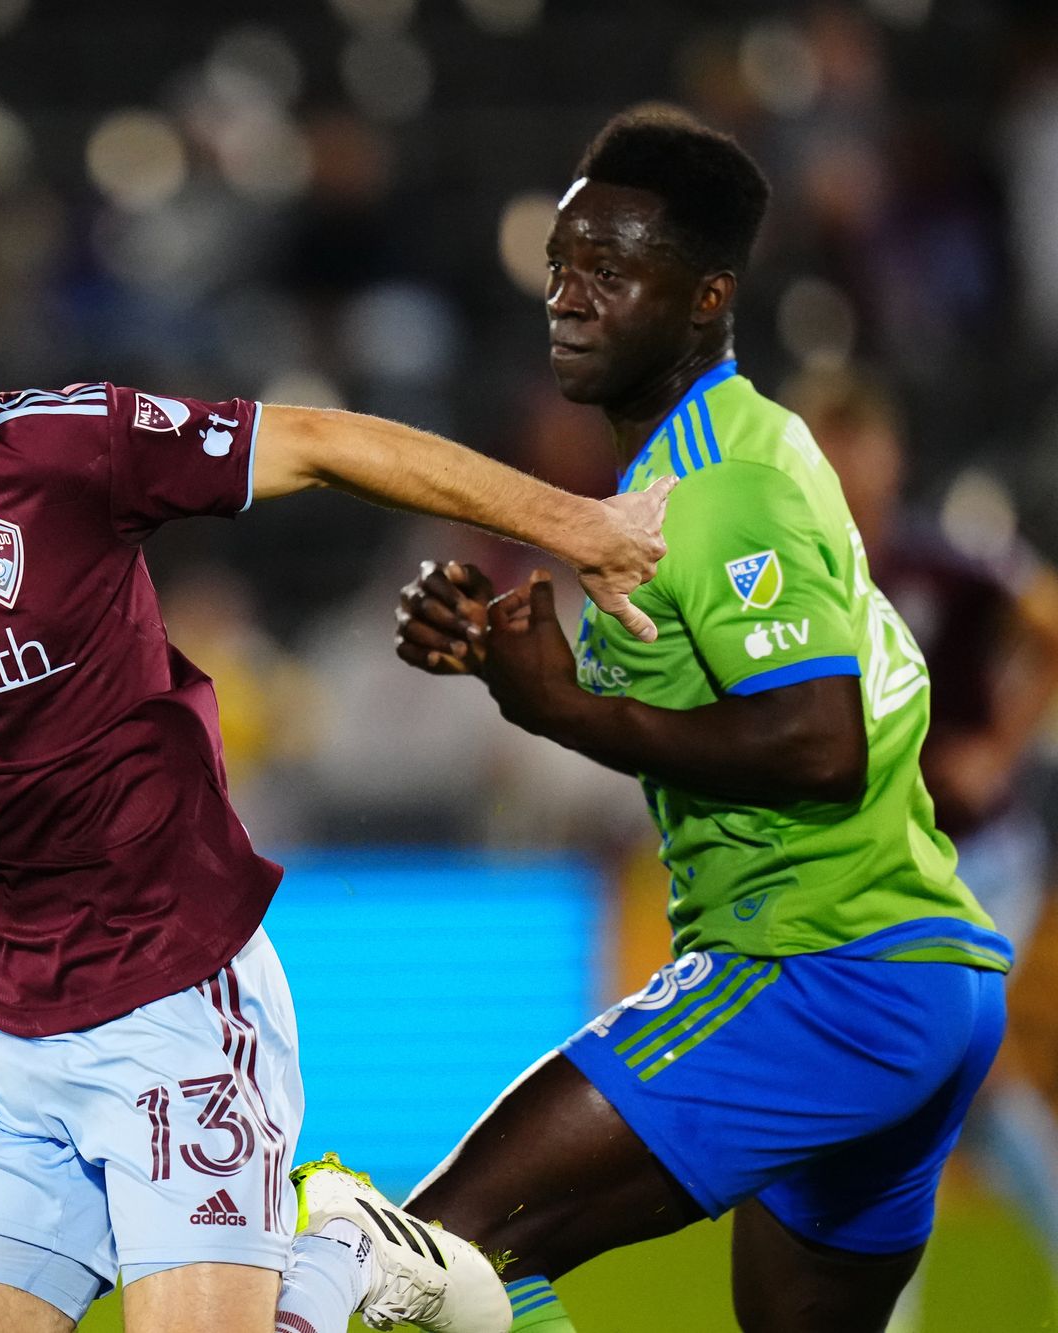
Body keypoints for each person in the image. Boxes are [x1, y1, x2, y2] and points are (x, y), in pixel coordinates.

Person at [0, 199, 672, 1333]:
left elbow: (317, 442)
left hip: (175, 1000)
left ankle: (341, 1254)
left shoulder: (53, 450)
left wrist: (577, 525)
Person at [392, 108, 1011, 1333]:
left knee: (430, 1261)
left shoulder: (714, 489)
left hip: (817, 969)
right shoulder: (738, 448)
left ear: (704, 298)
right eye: (563, 265)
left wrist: (558, 706)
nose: (567, 297)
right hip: (914, 979)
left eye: (610, 273)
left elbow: (818, 746)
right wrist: (503, 667)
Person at [792, 365, 1058, 1289]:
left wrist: (999, 744)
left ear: (890, 454)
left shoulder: (942, 561)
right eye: (825, 444)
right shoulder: (797, 584)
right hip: (883, 872)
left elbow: (1047, 619)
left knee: (937, 1071)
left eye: (855, 440)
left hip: (983, 855)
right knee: (937, 1088)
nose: (842, 462)